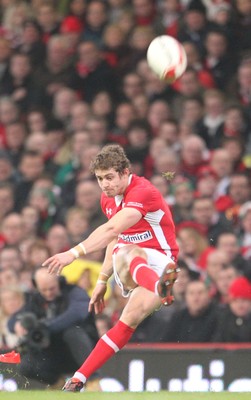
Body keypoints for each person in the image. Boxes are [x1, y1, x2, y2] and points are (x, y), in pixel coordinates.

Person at [42, 143, 180, 392]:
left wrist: (72, 253)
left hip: (162, 261)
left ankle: (78, 378)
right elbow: (115, 239)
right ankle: (160, 286)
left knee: (129, 319)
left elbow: (111, 230)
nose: (104, 184)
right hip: (135, 262)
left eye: (109, 177)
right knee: (130, 251)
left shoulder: (143, 191)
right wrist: (102, 281)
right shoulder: (107, 198)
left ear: (125, 172)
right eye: (99, 178)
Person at [8, 266, 99, 388]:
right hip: (54, 354)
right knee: (26, 366)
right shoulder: (36, 300)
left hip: (82, 351)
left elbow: (77, 314)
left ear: (59, 282)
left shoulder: (75, 293)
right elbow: (14, 319)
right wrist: (17, 325)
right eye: (43, 290)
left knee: (72, 332)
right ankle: (57, 383)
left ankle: (93, 381)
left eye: (52, 288)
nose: (48, 293)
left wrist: (46, 326)